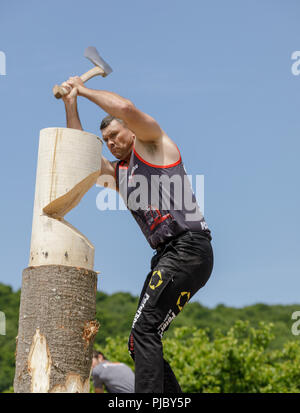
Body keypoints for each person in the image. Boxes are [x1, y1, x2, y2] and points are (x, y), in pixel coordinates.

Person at [61, 77, 214, 393]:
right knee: (139, 340)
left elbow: (126, 108)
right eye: (106, 141)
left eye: (115, 135)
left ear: (132, 131)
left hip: (188, 248)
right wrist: (71, 102)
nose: (111, 143)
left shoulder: (156, 146)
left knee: (144, 330)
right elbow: (83, 155)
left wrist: (85, 88)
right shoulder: (119, 174)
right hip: (166, 257)